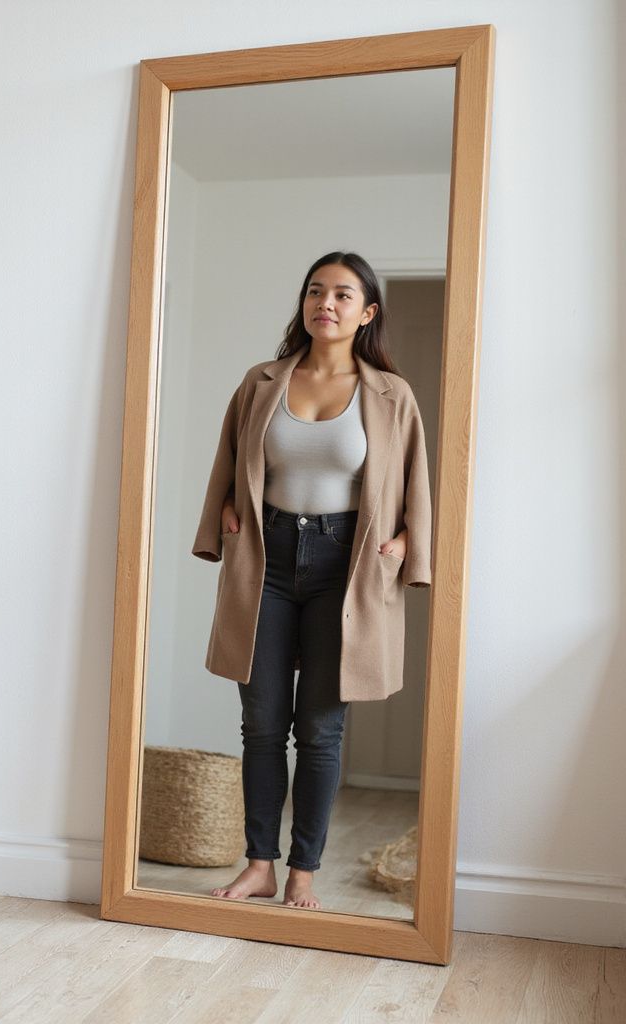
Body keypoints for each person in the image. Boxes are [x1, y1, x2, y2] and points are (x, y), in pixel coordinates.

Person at [191, 251, 432, 910]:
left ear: (367, 313)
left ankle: (303, 872)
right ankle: (260, 864)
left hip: (346, 563)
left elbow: (415, 481)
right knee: (262, 723)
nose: (326, 303)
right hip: (264, 558)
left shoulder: (390, 394)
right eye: (316, 291)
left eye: (343, 295)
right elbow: (229, 461)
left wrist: (409, 542)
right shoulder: (263, 380)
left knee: (321, 730)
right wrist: (227, 513)